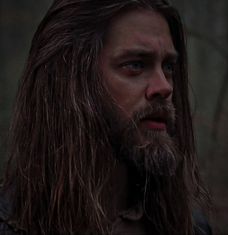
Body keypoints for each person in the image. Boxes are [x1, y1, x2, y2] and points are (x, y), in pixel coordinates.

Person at [0, 0, 212, 234]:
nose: (164, 87)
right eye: (135, 64)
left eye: (169, 67)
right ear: (73, 82)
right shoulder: (11, 224)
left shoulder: (190, 228)